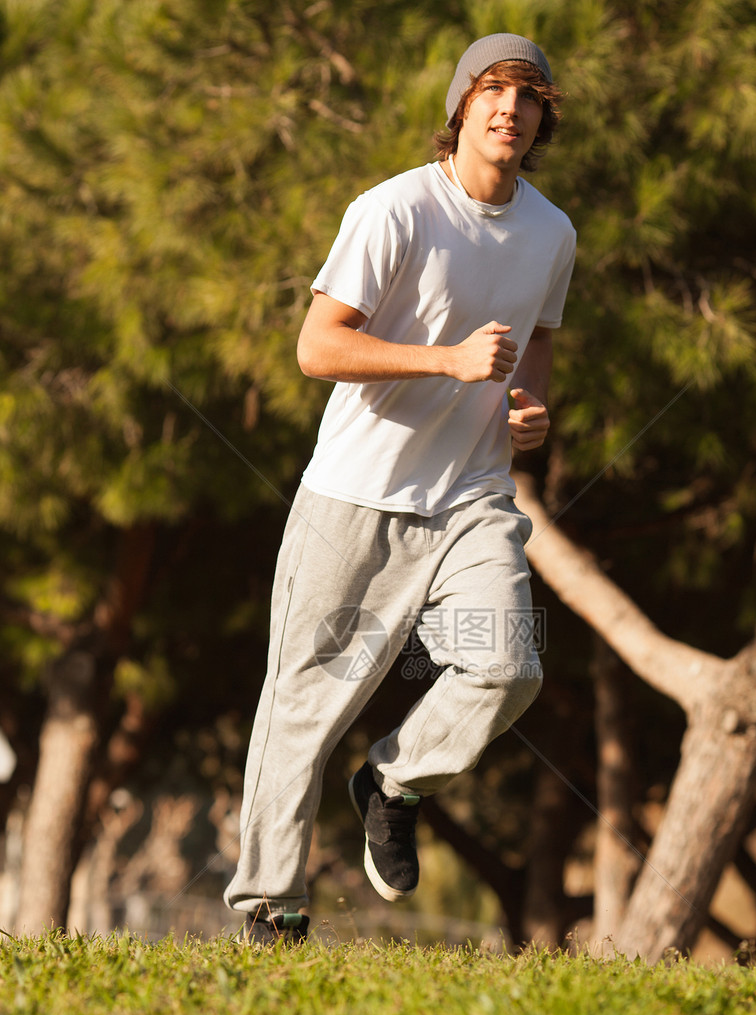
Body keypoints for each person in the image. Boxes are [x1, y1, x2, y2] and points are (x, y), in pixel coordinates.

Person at [225, 32, 577, 944]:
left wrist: (528, 410)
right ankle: (270, 906)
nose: (510, 109)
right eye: (493, 92)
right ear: (460, 107)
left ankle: (393, 781)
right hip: (353, 496)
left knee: (509, 667)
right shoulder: (393, 211)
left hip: (471, 497)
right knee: (304, 703)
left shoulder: (552, 231)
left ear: (543, 119)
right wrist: (446, 364)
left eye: (528, 97)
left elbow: (535, 345)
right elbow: (317, 348)